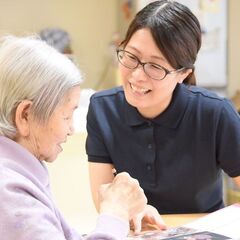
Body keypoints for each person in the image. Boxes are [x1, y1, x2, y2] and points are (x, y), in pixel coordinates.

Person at [86, 0, 240, 219]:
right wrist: (135, 214)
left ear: (183, 74)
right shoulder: (103, 109)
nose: (137, 75)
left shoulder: (215, 114)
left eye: (155, 66)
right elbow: (106, 203)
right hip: (137, 232)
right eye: (131, 57)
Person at [0, 35, 149, 240]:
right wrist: (115, 215)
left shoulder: (18, 174)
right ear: (25, 115)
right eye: (66, 115)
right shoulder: (9, 192)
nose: (71, 129)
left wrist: (121, 213)